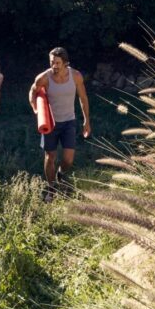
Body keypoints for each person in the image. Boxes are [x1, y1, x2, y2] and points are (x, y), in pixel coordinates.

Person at [28, 47, 91, 202]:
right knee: (50, 157)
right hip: (50, 122)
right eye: (51, 62)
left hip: (69, 121)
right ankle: (51, 188)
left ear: (65, 63)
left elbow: (83, 98)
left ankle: (60, 175)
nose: (54, 66)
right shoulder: (44, 78)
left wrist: (86, 120)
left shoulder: (75, 76)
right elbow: (32, 92)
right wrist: (37, 110)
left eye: (57, 62)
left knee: (68, 159)